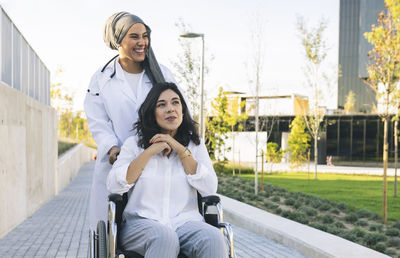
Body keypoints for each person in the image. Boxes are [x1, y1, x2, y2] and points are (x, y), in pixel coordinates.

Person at [84, 11, 182, 231]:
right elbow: (97, 120)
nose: (142, 42)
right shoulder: (101, 78)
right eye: (134, 37)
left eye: (145, 36)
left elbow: (178, 110)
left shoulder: (162, 74)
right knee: (111, 232)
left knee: (155, 226)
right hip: (116, 160)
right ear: (118, 40)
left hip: (158, 159)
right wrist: (111, 146)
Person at [107, 83, 228, 258]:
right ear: (152, 112)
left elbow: (210, 188)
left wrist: (180, 150)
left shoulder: (195, 146)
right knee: (165, 237)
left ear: (183, 110)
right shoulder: (134, 144)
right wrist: (150, 151)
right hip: (141, 224)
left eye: (175, 102)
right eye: (162, 104)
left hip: (186, 223)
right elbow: (114, 186)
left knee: (214, 238)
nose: (170, 109)